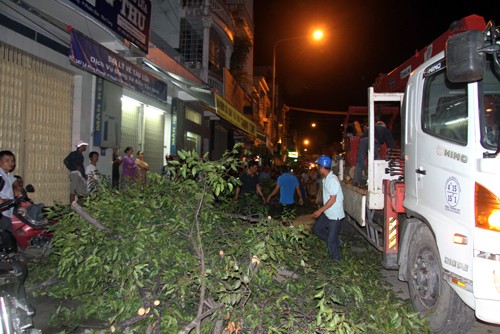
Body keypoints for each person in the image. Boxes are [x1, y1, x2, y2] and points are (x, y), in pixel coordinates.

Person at [312, 155, 345, 261]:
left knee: (330, 241)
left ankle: (337, 260)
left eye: (318, 167)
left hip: (335, 215)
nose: (318, 169)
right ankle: (336, 241)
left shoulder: (332, 180)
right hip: (327, 213)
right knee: (316, 229)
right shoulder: (325, 179)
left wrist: (320, 210)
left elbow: (333, 199)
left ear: (322, 167)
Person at [352, 119, 394, 187]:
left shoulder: (370, 128)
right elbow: (390, 142)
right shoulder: (384, 129)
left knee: (360, 161)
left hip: (363, 141)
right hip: (373, 141)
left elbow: (363, 137)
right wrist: (391, 151)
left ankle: (356, 181)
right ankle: (375, 181)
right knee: (376, 161)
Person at [0, 151, 16, 232]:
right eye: (7, 160)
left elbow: (17, 188)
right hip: (2, 213)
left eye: (13, 161)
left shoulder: (9, 176)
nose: (11, 163)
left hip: (8, 212)